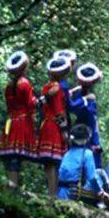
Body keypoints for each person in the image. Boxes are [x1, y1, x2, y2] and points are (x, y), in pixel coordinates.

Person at [0, 50, 38, 188]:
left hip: (11, 121)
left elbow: (9, 106)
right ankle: (13, 185)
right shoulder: (24, 83)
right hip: (22, 122)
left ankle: (10, 183)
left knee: (10, 154)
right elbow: (30, 103)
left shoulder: (9, 86)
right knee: (16, 155)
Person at [36, 54, 72, 196]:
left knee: (48, 163)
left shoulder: (47, 88)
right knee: (54, 163)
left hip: (45, 125)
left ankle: (51, 193)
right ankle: (53, 195)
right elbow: (59, 111)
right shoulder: (57, 89)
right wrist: (64, 129)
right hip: (54, 127)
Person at [56, 123, 105, 202]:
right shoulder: (87, 153)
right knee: (99, 175)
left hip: (61, 192)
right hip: (73, 193)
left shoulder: (67, 153)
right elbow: (92, 177)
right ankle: (103, 204)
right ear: (86, 139)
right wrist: (99, 191)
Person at [69, 62, 103, 165]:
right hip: (86, 130)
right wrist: (85, 99)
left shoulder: (79, 93)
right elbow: (73, 107)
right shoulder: (86, 96)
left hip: (85, 128)